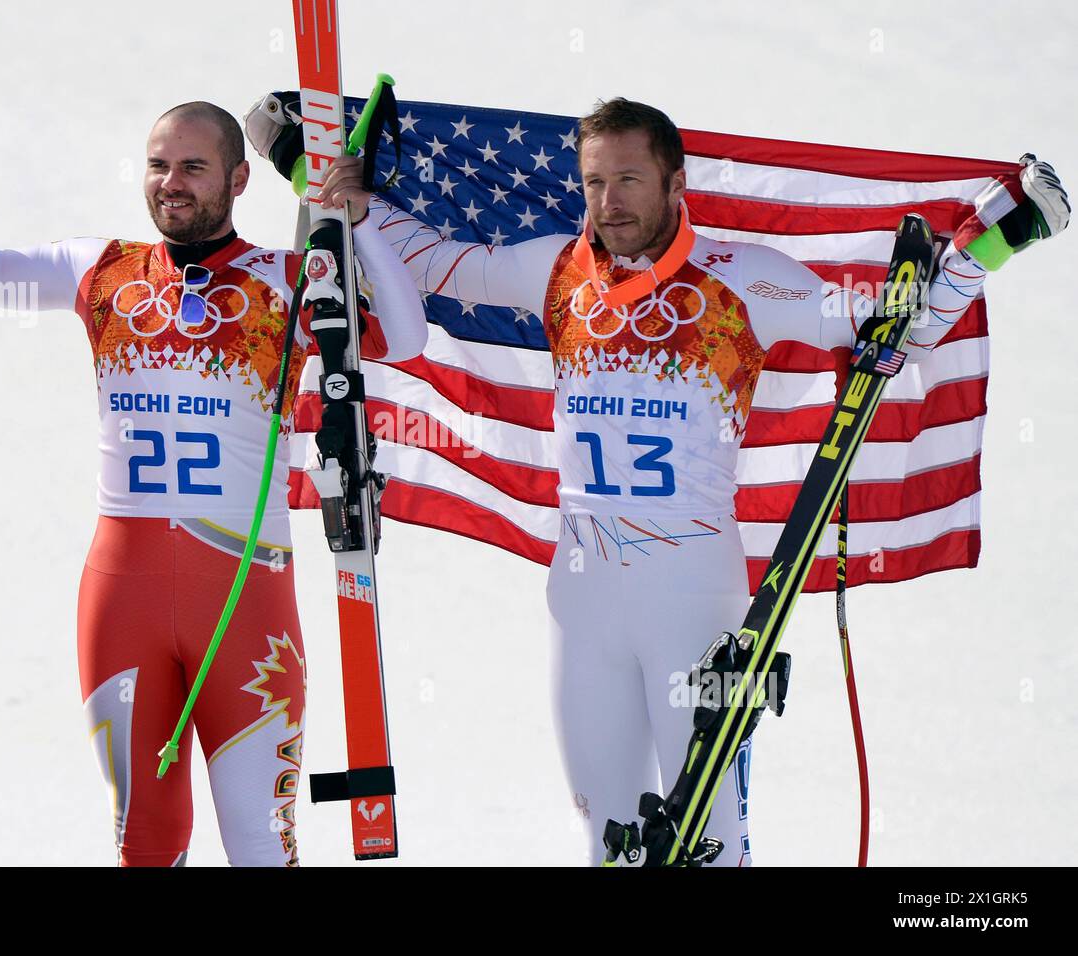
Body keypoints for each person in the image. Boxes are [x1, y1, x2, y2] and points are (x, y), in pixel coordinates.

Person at [254, 95, 1069, 865]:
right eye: (594, 182)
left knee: (707, 841)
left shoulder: (742, 277)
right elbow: (437, 264)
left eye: (628, 180)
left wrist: (992, 244)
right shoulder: (559, 272)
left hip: (692, 599)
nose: (608, 201)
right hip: (584, 602)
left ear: (676, 183)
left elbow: (897, 332)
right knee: (610, 836)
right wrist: (326, 188)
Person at [0, 58, 427, 866]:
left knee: (265, 846)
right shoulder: (102, 270)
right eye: (158, 165)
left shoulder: (286, 283)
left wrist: (354, 218)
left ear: (236, 178)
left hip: (244, 601)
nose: (172, 182)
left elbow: (404, 335)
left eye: (193, 166)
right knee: (143, 841)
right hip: (122, 597)